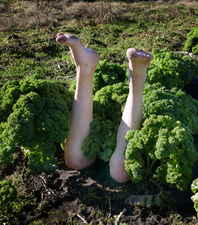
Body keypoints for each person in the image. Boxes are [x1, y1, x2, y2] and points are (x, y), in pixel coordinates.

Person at [56, 33, 153, 183]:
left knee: (120, 171)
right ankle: (84, 67)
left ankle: (137, 78)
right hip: (101, 124)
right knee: (74, 159)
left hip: (130, 118)